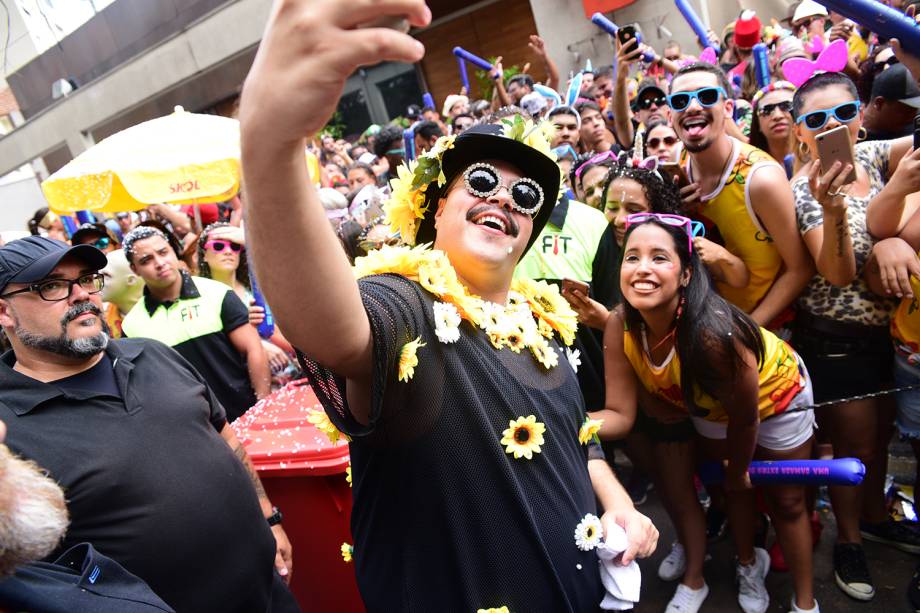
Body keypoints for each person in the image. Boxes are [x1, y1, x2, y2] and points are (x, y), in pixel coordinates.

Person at [238, 2, 659, 609]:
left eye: (527, 196)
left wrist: (619, 505)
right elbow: (331, 329)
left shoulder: (541, 317)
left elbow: (576, 437)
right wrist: (269, 142)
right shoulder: (405, 301)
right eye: (483, 182)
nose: (508, 200)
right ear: (437, 208)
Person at [0, 236, 295, 612]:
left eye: (87, 279)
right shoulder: (6, 428)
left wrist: (269, 517)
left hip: (269, 591)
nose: (81, 296)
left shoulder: (152, 353)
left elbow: (224, 436)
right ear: (4, 312)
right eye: (53, 286)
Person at [594, 215, 818, 613]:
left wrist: (737, 468)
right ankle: (749, 561)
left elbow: (745, 421)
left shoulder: (713, 336)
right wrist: (561, 423)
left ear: (685, 275)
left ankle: (805, 601)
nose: (642, 268)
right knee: (732, 493)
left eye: (659, 257)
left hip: (781, 397)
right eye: (632, 257)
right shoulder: (619, 325)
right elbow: (620, 416)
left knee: (787, 501)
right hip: (709, 408)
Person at [790, 69, 920, 601]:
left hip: (892, 334)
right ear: (800, 133)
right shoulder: (804, 190)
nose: (832, 127)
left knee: (884, 436)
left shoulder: (877, 157)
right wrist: (835, 208)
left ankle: (872, 518)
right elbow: (838, 272)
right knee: (853, 445)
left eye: (844, 113)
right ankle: (848, 541)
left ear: (862, 116)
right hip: (837, 338)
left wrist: (894, 239)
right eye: (816, 120)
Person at [670, 62, 813, 328]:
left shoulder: (761, 180)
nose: (692, 107)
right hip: (706, 325)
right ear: (670, 117)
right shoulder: (676, 160)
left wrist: (747, 330)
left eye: (706, 96)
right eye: (680, 101)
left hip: (764, 328)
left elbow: (800, 268)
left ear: (728, 109)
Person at [120, 226, 270, 423]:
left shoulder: (217, 293)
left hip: (245, 415)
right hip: (189, 429)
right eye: (146, 260)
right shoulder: (132, 325)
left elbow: (254, 349)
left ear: (174, 252)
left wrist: (263, 406)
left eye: (163, 252)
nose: (159, 263)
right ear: (134, 269)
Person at [862, 63, 920, 141]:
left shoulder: (913, 128)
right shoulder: (852, 135)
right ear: (879, 103)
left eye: (916, 109)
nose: (913, 116)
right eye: (907, 110)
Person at [99, 249, 144, 339]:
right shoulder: (100, 318)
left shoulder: (160, 317)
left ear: (130, 280)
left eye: (106, 275)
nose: (96, 281)